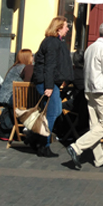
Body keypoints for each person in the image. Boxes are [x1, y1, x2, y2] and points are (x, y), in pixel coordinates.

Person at [66, 22, 103, 170]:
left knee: (95, 125)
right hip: (101, 90)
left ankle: (99, 158)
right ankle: (77, 147)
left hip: (89, 89)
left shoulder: (90, 48)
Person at [32, 16, 74, 158]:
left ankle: (37, 140)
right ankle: (43, 144)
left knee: (53, 111)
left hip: (50, 82)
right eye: (66, 26)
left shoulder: (54, 42)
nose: (68, 29)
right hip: (46, 82)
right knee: (53, 112)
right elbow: (49, 66)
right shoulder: (51, 43)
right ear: (58, 28)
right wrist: (49, 86)